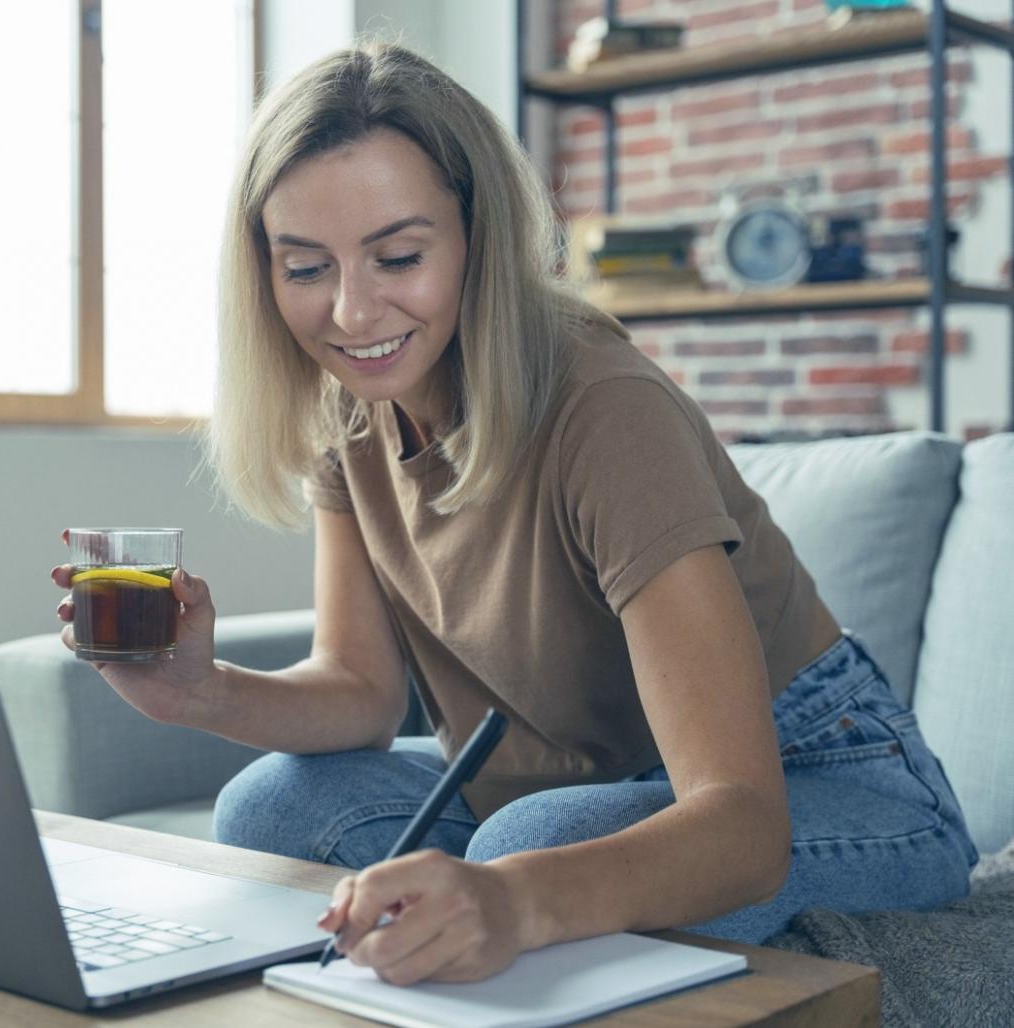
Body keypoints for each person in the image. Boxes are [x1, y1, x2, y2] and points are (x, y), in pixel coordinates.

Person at [50, 41, 977, 986]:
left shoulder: (605, 409)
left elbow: (740, 823)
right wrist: (200, 692)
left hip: (816, 779)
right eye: (304, 269)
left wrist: (516, 897)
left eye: (398, 257)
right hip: (576, 783)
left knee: (527, 842)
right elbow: (363, 694)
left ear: (477, 239)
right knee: (271, 808)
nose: (351, 313)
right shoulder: (350, 407)